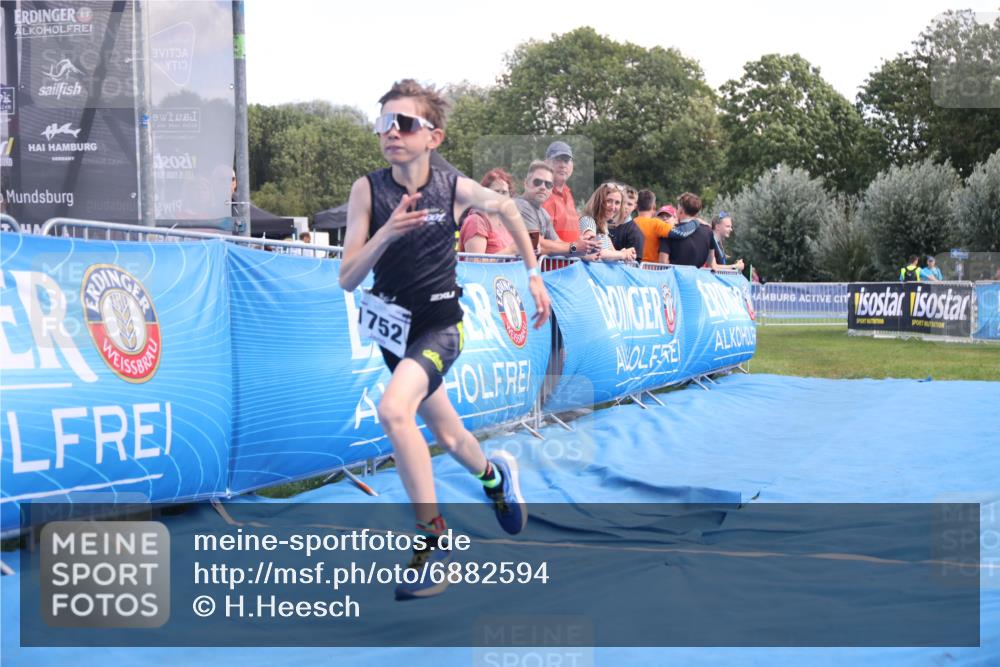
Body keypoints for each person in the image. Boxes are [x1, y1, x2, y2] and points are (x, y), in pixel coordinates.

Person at [339, 79, 551, 600]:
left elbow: (507, 210)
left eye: (404, 123)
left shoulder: (452, 187)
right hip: (392, 330)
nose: (391, 132)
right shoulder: (367, 190)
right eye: (383, 123)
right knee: (451, 438)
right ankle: (495, 477)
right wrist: (386, 232)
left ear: (433, 136)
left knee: (394, 412)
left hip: (439, 326)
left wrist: (533, 274)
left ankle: (433, 544)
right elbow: (347, 276)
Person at [516, 160, 600, 259]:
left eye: (548, 184)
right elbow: (537, 244)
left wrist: (585, 247)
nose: (543, 187)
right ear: (526, 183)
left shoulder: (543, 213)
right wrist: (575, 247)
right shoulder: (521, 206)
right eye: (537, 182)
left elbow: (557, 243)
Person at [458, 169, 517, 255]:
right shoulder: (476, 221)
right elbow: (475, 261)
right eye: (496, 192)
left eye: (504, 192)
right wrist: (511, 251)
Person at [578, 182, 638, 262]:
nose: (613, 207)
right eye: (609, 201)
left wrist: (626, 253)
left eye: (617, 203)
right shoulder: (588, 220)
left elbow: (610, 253)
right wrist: (622, 254)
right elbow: (597, 252)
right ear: (599, 201)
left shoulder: (604, 226)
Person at [660, 193, 715, 268]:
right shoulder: (708, 231)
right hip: (697, 274)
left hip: (675, 274)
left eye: (677, 208)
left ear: (681, 210)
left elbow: (663, 262)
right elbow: (710, 261)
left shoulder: (670, 231)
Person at [541, 141, 580, 242]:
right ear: (545, 163)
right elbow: (541, 242)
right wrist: (574, 247)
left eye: (566, 161)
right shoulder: (543, 195)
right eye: (557, 160)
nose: (562, 165)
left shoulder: (567, 192)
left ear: (572, 165)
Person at [633, 191, 674, 264]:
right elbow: (679, 232)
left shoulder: (630, 223)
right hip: (652, 268)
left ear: (636, 206)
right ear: (653, 206)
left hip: (633, 266)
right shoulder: (657, 224)